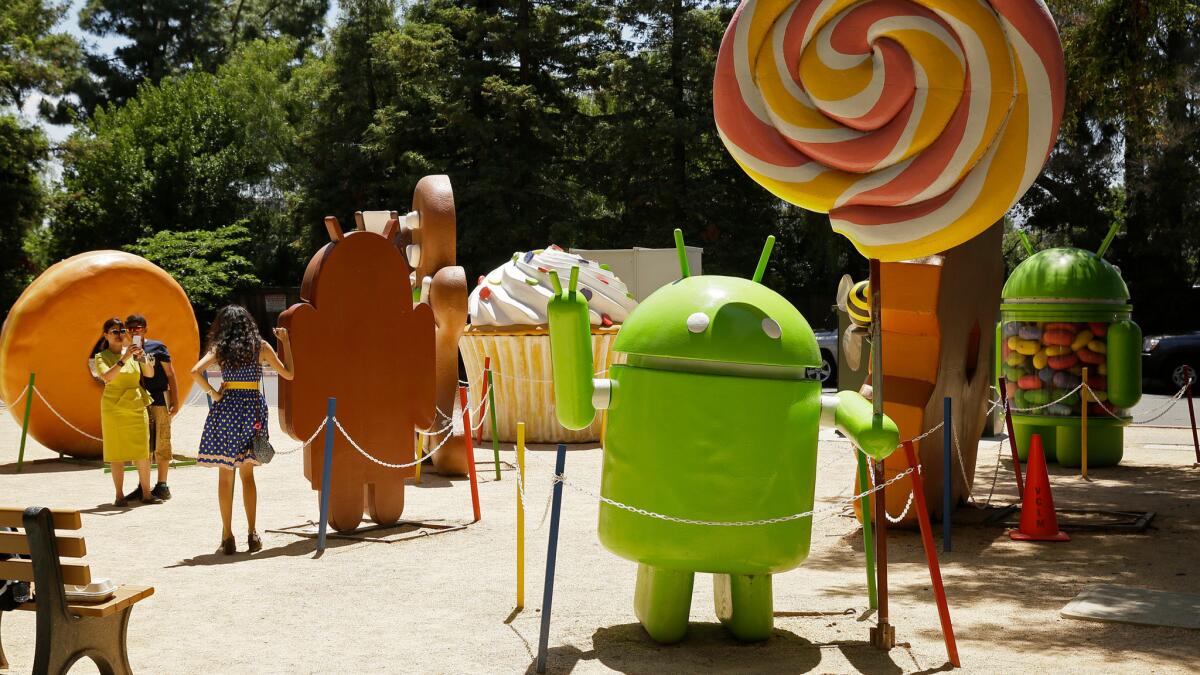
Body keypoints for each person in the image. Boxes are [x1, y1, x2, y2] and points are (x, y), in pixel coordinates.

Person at [192, 306, 293, 554]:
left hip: (227, 409)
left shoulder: (220, 349)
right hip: (252, 411)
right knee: (248, 476)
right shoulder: (261, 347)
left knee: (226, 476)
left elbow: (195, 371)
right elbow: (289, 374)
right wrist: (286, 343)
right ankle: (252, 533)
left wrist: (214, 393)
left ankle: (227, 536)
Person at [92, 318, 163, 506]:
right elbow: (107, 377)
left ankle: (147, 493)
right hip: (114, 407)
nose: (119, 334)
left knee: (142, 450)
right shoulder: (101, 357)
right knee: (116, 452)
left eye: (122, 330)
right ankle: (119, 495)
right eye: (114, 331)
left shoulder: (132, 352)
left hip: (136, 404)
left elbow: (149, 374)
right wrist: (124, 358)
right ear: (105, 335)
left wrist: (142, 357)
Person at [124, 314, 178, 501]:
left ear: (145, 329)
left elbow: (170, 373)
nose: (134, 331)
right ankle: (143, 485)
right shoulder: (125, 352)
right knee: (141, 443)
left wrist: (176, 400)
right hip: (138, 400)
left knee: (162, 440)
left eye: (137, 328)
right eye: (130, 328)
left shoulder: (157, 346)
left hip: (159, 397)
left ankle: (162, 484)